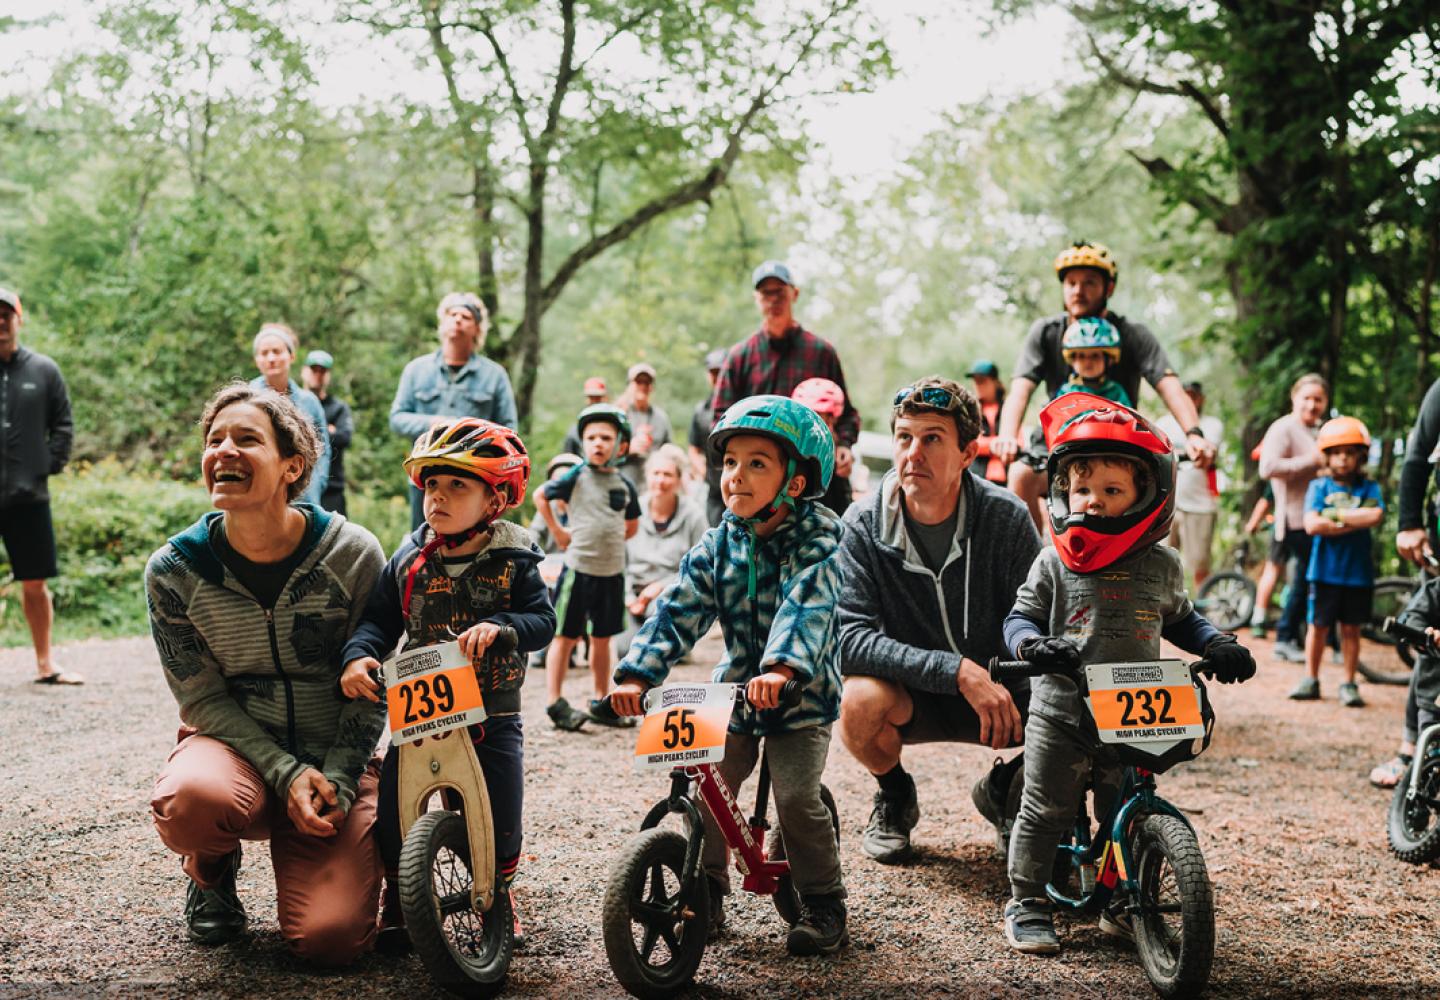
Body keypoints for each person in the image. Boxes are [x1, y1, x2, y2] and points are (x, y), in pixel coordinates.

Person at [999, 391, 1255, 955]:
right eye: (1081, 489)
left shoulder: (1161, 565)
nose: (1091, 503)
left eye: (1112, 491)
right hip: (1062, 710)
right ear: (1063, 492)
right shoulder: (1054, 559)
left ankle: (1123, 896)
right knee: (1045, 807)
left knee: (1123, 806)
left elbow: (1183, 620)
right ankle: (1027, 899)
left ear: (1147, 496)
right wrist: (1033, 646)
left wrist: (1220, 643)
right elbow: (1019, 617)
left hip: (1131, 709)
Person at [145, 383, 386, 963]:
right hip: (238, 755)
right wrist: (283, 772)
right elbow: (199, 698)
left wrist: (340, 780)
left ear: (291, 466)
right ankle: (212, 870)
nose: (223, 450)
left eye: (246, 439)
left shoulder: (354, 554)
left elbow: (377, 683)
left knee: (333, 942)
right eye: (214, 439)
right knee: (192, 800)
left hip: (333, 762)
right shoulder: (174, 571)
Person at [611, 394, 849, 956]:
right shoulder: (719, 543)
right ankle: (707, 890)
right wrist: (637, 676)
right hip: (737, 688)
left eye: (757, 464)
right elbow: (679, 609)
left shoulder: (818, 538)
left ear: (794, 482)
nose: (736, 476)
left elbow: (807, 607)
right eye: (731, 462)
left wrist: (783, 666)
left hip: (801, 692)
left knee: (795, 799)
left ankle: (823, 900)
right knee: (707, 783)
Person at [340, 418, 555, 949]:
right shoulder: (408, 558)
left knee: (498, 814)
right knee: (395, 806)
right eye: (432, 485)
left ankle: (495, 895)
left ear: (495, 498)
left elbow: (542, 622)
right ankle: (401, 896)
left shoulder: (516, 557)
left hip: (493, 712)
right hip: (421, 709)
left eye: (457, 485)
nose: (438, 497)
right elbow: (379, 621)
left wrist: (503, 627)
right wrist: (359, 655)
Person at [836, 377, 1041, 864]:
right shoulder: (862, 525)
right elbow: (849, 641)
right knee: (857, 701)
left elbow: (1039, 620)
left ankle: (1008, 792)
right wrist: (956, 671)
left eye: (932, 438)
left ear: (968, 453)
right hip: (913, 695)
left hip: (1004, 696)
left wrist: (1025, 692)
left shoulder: (1007, 519)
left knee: (1081, 715)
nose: (913, 453)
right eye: (904, 437)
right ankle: (894, 795)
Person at [992, 242, 1216, 534]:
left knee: (1166, 473)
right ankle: (1035, 562)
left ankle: (1150, 554)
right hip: (1060, 441)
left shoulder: (1133, 334)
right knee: (1020, 474)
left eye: (1089, 282)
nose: (1078, 290)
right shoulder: (1046, 333)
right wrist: (1007, 436)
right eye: (1071, 283)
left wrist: (1194, 434)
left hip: (1119, 443)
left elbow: (1168, 384)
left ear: (1108, 288)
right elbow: (1020, 390)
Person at [708, 260, 860, 526]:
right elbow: (721, 419)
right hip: (759, 491)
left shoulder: (821, 352)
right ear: (757, 299)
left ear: (795, 294)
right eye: (766, 293)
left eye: (780, 291)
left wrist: (844, 445)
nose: (773, 299)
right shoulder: (740, 357)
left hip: (815, 489)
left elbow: (847, 414)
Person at [535, 404, 640, 731]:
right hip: (578, 570)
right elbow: (541, 495)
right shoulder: (576, 475)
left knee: (603, 638)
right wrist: (558, 531)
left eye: (605, 438)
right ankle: (554, 701)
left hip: (611, 573)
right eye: (591, 437)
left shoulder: (623, 484)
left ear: (620, 445)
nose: (597, 443)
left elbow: (633, 523)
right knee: (565, 635)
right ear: (582, 442)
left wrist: (612, 538)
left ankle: (600, 699)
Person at [0, 286, 80, 685]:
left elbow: (63, 424)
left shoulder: (44, 370)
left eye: (6, 314)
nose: (0, 321)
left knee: (34, 582)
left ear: (19, 318)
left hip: (28, 494)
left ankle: (45, 662)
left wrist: (45, 465)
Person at [390, 292, 519, 528]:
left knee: (475, 544)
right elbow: (397, 419)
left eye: (466, 316)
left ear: (478, 329)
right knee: (424, 540)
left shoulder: (495, 375)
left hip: (475, 479)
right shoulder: (416, 370)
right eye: (452, 314)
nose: (458, 319)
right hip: (426, 477)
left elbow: (509, 429)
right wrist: (435, 424)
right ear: (442, 323)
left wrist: (474, 434)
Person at [1290, 416, 1383, 705]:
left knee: (1351, 629)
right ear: (1327, 456)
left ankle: (1349, 683)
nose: (1343, 459)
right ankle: (1311, 678)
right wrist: (1355, 520)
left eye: (1349, 452)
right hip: (1323, 572)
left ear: (1360, 456)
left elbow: (1375, 516)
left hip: (1358, 574)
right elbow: (1312, 525)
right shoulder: (1319, 487)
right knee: (1318, 627)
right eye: (1336, 452)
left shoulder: (1369, 488)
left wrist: (1335, 517)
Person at [1257, 373, 1329, 661]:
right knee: (1304, 580)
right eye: (1307, 398)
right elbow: (1267, 468)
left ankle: (1294, 636)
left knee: (1308, 579)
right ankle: (1285, 637)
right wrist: (1309, 462)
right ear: (1294, 398)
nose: (1312, 404)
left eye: (1318, 399)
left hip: (1316, 517)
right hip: (1293, 519)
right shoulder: (1283, 428)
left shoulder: (1321, 430)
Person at [622, 443, 708, 633]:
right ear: (647, 475)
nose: (660, 480)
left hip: (673, 594)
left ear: (678, 480)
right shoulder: (632, 511)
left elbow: (700, 567)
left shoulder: (694, 516)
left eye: (667, 475)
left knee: (657, 623)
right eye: (656, 473)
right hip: (633, 593)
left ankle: (679, 639)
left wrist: (660, 586)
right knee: (624, 650)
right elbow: (620, 562)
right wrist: (629, 597)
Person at [250, 323, 329, 507]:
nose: (271, 358)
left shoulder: (309, 402)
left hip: (304, 496)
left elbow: (323, 448)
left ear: (291, 356)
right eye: (264, 353)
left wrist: (317, 482)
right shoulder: (246, 397)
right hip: (258, 494)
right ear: (256, 360)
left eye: (277, 351)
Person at [1157, 381, 1224, 590]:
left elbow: (1209, 452)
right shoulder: (1163, 424)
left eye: (1193, 396)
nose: (1189, 401)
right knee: (1161, 564)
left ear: (1201, 399)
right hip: (1167, 505)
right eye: (1184, 396)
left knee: (1200, 564)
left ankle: (1202, 610)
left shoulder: (1211, 424)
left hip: (1200, 505)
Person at [301, 349, 354, 516]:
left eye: (322, 371)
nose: (318, 375)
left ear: (328, 375)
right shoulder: (294, 402)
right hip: (300, 487)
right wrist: (327, 430)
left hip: (333, 488)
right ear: (304, 371)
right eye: (314, 370)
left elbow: (344, 437)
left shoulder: (338, 408)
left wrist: (309, 432)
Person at [792, 377, 854, 516]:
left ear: (832, 419)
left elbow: (843, 509)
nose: (810, 423)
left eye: (819, 415)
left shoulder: (834, 457)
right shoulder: (790, 449)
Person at [616, 362, 673, 489]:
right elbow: (603, 454)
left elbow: (669, 449)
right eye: (638, 382)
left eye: (646, 383)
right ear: (630, 385)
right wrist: (628, 449)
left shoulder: (661, 417)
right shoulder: (618, 414)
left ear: (651, 387)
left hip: (654, 486)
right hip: (623, 483)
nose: (643, 386)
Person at [1053, 317, 1132, 405]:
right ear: (1073, 360)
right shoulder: (1066, 393)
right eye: (1081, 356)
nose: (1088, 362)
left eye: (1095, 356)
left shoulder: (1116, 392)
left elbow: (1129, 417)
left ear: (1108, 360)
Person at [689, 349, 727, 518]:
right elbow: (693, 447)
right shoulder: (701, 410)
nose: (716, 377)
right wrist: (702, 470)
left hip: (741, 486)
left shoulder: (742, 406)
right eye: (713, 372)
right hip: (714, 489)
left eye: (720, 372)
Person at [968, 359, 1009, 485]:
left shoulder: (1008, 408)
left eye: (982, 381)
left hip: (1006, 476)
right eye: (975, 382)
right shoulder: (970, 410)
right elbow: (970, 443)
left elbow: (1018, 441)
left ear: (995, 382)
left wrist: (986, 444)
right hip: (978, 476)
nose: (978, 386)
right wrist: (997, 444)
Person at [561, 376, 610, 455]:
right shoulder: (575, 431)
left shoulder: (616, 426)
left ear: (605, 398)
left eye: (597, 397)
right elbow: (568, 458)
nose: (594, 401)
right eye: (591, 397)